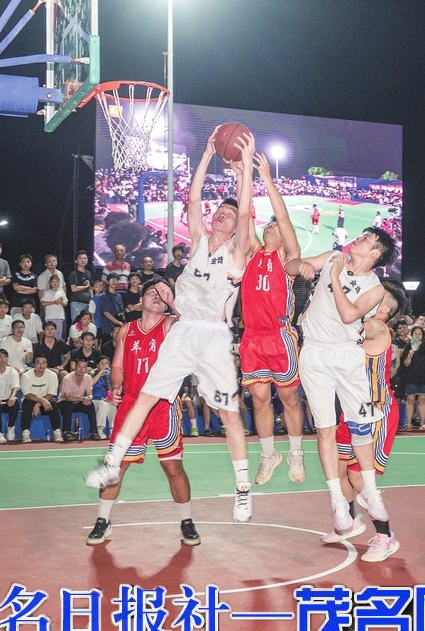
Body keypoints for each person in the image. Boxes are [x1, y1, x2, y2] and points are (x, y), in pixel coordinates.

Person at [86, 129, 256, 525]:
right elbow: (192, 199)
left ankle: (243, 489)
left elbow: (247, 212)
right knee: (145, 397)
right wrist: (207, 153)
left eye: (229, 214)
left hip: (213, 336)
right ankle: (111, 464)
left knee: (229, 414)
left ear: (236, 227)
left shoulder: (237, 252)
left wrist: (246, 165)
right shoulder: (197, 241)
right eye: (220, 211)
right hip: (182, 330)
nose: (222, 214)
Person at [287, 226, 397, 535]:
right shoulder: (333, 256)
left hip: (347, 356)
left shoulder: (375, 288)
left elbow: (349, 315)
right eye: (360, 235)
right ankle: (338, 501)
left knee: (361, 428)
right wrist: (301, 266)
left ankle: (371, 493)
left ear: (374, 253)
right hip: (314, 354)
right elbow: (290, 266)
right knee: (325, 430)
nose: (358, 238)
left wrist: (333, 278)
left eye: (366, 239)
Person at [86, 279, 199, 546]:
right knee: (117, 466)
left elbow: (194, 325)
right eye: (152, 292)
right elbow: (117, 366)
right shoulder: (127, 330)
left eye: (163, 293)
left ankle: (186, 521)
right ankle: (103, 521)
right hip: (132, 404)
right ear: (141, 300)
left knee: (172, 466)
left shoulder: (171, 325)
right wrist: (116, 386)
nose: (157, 296)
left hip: (162, 405)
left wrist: (173, 302)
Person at [324, 279, 407, 563]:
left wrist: (334, 288)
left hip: (376, 413)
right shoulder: (365, 324)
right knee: (337, 468)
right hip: (351, 411)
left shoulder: (376, 327)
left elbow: (352, 324)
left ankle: (386, 536)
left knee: (358, 476)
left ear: (382, 308)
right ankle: (347, 521)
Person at [239, 152, 306, 487]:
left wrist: (265, 176)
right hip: (252, 337)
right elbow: (244, 214)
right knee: (260, 399)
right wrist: (242, 176)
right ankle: (269, 455)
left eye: (274, 226)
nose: (270, 225)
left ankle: (295, 452)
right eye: (267, 224)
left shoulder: (286, 257)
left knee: (289, 398)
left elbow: (283, 216)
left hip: (279, 335)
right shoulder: (252, 252)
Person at [20, 354, 62, 443]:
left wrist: (38, 404)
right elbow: (28, 395)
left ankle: (57, 431)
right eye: (38, 362)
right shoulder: (26, 376)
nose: (41, 365)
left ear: (47, 364)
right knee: (27, 403)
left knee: (53, 403)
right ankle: (25, 432)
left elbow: (51, 394)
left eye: (44, 362)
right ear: (33, 365)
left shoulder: (52, 375)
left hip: (46, 403)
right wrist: (41, 401)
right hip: (31, 402)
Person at [401, 325, 425, 430]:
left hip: (423, 377)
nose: (417, 335)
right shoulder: (408, 346)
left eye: (420, 334)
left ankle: (423, 423)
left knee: (422, 399)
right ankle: (409, 423)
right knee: (410, 399)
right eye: (415, 333)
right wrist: (409, 355)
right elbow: (405, 364)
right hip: (411, 377)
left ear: (422, 336)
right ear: (412, 335)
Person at [58, 359, 97, 441]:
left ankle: (94, 431)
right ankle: (66, 432)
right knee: (68, 404)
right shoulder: (67, 378)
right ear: (75, 367)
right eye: (79, 366)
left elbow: (89, 394)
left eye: (84, 367)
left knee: (91, 404)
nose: (81, 369)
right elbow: (68, 397)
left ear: (86, 369)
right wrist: (82, 398)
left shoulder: (88, 378)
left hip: (79, 402)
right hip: (64, 402)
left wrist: (88, 398)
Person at [68, 250, 94, 323]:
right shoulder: (73, 274)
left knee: (87, 325)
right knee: (77, 325)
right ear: (76, 261)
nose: (83, 260)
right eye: (80, 258)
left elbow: (90, 287)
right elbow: (73, 289)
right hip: (77, 302)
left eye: (85, 258)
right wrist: (86, 286)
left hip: (87, 302)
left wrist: (91, 297)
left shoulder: (88, 273)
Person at [41, 274, 68, 340]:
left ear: (59, 282)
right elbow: (43, 303)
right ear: (50, 282)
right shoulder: (47, 293)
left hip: (59, 316)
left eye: (56, 281)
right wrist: (53, 302)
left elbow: (66, 303)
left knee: (58, 334)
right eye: (53, 281)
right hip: (49, 316)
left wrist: (61, 302)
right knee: (49, 334)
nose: (55, 283)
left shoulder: (61, 292)